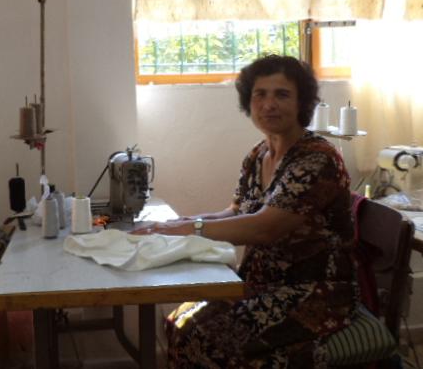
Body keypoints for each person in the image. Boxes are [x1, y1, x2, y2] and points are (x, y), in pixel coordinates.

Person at [132, 55, 357, 368]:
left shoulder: (317, 159)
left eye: (282, 95)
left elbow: (264, 227)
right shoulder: (259, 153)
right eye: (260, 94)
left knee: (201, 336)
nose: (269, 104)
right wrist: (182, 223)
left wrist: (190, 230)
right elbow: (237, 211)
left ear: (302, 102)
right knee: (179, 320)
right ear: (248, 102)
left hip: (314, 294)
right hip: (260, 284)